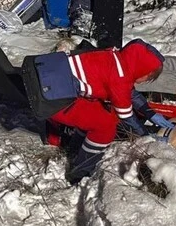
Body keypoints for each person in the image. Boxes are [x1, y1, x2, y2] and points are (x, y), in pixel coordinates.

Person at [22, 39, 168, 184]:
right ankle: (80, 172)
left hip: (49, 80)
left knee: (101, 113)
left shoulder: (114, 57)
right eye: (148, 76)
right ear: (141, 67)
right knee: (106, 126)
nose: (145, 80)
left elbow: (129, 92)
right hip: (52, 99)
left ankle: (75, 148)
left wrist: (150, 113)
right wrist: (146, 135)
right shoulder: (119, 76)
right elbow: (126, 114)